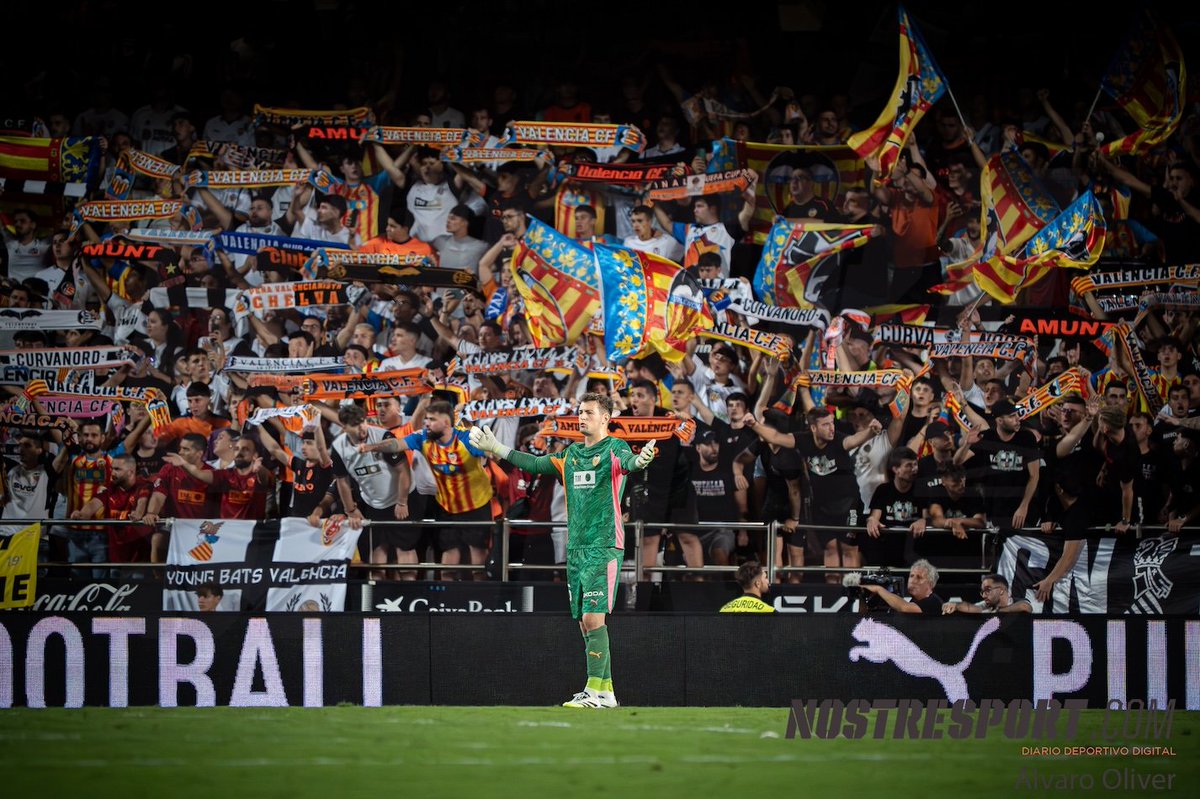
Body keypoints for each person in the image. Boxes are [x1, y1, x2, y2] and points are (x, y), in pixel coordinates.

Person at [468, 393, 655, 708]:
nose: (583, 417)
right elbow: (536, 463)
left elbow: (630, 463)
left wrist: (641, 460)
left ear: (605, 418)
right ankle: (603, 691)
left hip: (604, 543)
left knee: (594, 619)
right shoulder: (571, 454)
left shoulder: (615, 448)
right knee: (584, 622)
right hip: (577, 547)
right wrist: (497, 449)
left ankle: (596, 692)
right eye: (581, 412)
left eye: (590, 413)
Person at [360, 401, 492, 579]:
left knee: (477, 561)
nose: (427, 423)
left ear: (446, 422)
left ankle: (483, 598)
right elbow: (396, 445)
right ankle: (447, 600)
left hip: (476, 505)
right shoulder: (422, 438)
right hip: (447, 506)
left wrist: (490, 450)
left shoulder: (467, 439)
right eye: (427, 419)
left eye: (432, 419)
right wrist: (372, 446)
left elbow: (491, 454)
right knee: (448, 558)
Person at [856, 558, 944, 614]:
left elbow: (904, 608)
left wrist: (879, 589)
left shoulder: (933, 601)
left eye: (919, 577)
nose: (913, 580)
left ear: (930, 584)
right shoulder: (912, 601)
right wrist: (862, 595)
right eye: (911, 576)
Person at [942, 573, 1031, 614]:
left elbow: (1025, 607)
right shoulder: (987, 605)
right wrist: (955, 605)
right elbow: (971, 608)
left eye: (988, 590)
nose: (984, 596)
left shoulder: (1018, 601)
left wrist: (998, 611)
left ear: (1001, 590)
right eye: (983, 592)